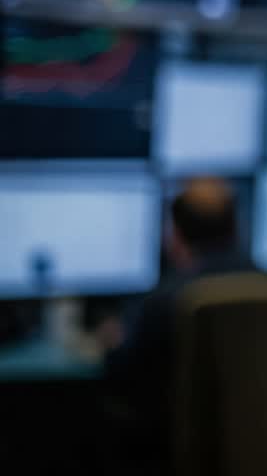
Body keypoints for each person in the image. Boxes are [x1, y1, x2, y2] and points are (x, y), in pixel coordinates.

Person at [102, 177, 254, 473]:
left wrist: (111, 344)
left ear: (175, 236)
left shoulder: (162, 303)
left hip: (175, 453)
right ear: (237, 229)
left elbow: (125, 375)